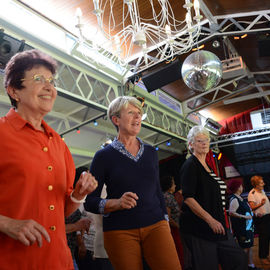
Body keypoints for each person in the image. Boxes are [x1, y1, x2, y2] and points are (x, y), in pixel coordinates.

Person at [0, 49, 98, 270]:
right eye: (38, 79)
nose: (49, 87)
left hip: (59, 260)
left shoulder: (58, 143)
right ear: (14, 90)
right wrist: (6, 223)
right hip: (14, 261)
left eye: (51, 81)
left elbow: (61, 210)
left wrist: (79, 194)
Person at [85, 96, 181, 270]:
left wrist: (165, 220)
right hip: (120, 231)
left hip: (156, 225)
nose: (137, 118)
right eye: (131, 113)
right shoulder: (103, 157)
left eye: (139, 113)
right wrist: (116, 203)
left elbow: (157, 191)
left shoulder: (151, 152)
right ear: (116, 120)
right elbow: (90, 202)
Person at [179, 125, 247, 270]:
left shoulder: (208, 166)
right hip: (201, 228)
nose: (204, 143)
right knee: (208, 266)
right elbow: (188, 198)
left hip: (218, 225)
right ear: (191, 144)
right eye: (199, 140)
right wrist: (210, 220)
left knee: (238, 259)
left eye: (206, 140)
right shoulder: (190, 165)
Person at [227, 178, 257, 270]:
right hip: (242, 229)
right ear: (237, 187)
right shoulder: (234, 199)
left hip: (248, 228)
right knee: (244, 249)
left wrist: (252, 214)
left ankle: (251, 266)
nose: (242, 187)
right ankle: (242, 267)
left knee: (249, 247)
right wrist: (245, 217)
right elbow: (231, 213)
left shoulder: (241, 198)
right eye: (240, 185)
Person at [160, 175, 184, 268]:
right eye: (173, 183)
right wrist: (178, 227)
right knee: (178, 252)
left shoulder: (170, 196)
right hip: (173, 230)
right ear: (169, 185)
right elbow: (168, 218)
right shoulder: (167, 197)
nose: (175, 185)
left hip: (175, 229)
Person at [248, 175, 270, 265]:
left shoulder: (262, 191)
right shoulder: (252, 194)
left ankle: (265, 254)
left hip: (268, 216)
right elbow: (252, 207)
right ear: (256, 185)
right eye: (261, 183)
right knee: (263, 238)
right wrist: (261, 204)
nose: (263, 184)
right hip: (261, 219)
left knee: (267, 237)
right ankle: (262, 257)